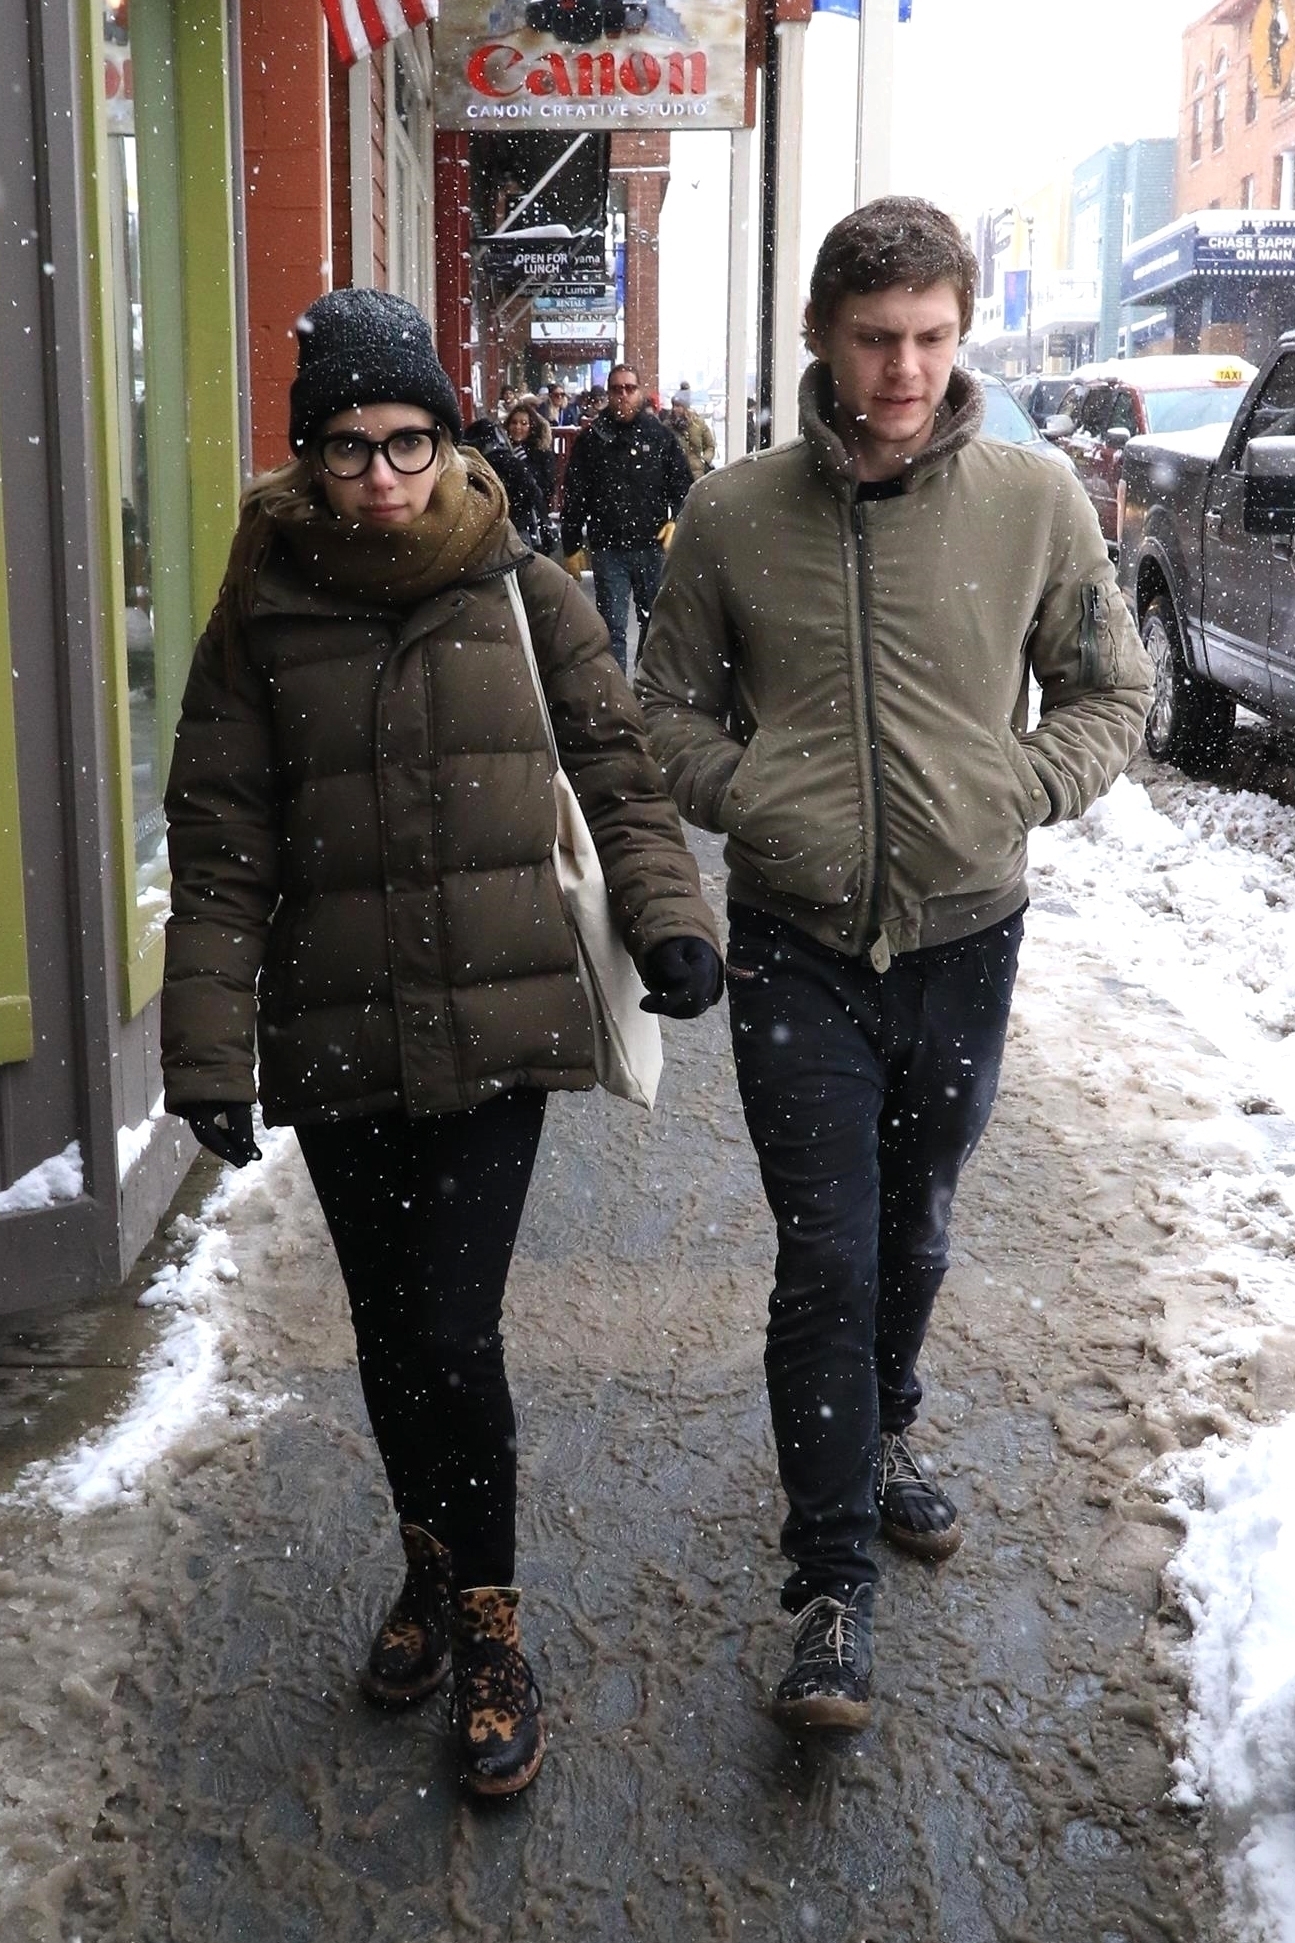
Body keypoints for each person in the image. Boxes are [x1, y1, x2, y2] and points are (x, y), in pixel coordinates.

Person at [160, 288, 723, 1797]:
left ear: (449, 438)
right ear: (308, 454)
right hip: (339, 1027)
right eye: (346, 446)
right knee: (388, 1332)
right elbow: (220, 835)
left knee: (454, 1331)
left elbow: (616, 770)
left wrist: (669, 917)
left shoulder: (521, 589)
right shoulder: (261, 606)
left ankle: (488, 1619)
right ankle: (425, 1562)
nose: (381, 476)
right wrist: (206, 1045)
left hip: (493, 1021)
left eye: (407, 440)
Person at [635, 198, 1152, 1732]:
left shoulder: (1029, 500)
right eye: (874, 339)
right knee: (828, 1253)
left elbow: (1108, 690)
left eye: (930, 337)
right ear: (819, 336)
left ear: (958, 332)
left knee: (914, 1225)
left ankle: (885, 1423)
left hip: (963, 936)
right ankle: (830, 1584)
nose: (904, 369)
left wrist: (1015, 788)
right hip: (792, 944)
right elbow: (660, 711)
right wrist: (756, 796)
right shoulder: (731, 514)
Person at [559, 361, 693, 675]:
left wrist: (677, 519)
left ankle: (648, 687)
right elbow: (575, 494)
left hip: (651, 544)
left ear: (640, 392)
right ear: (609, 393)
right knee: (611, 629)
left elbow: (682, 484)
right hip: (609, 547)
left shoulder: (658, 436)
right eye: (617, 389)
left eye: (629, 388)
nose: (623, 395)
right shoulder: (592, 439)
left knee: (654, 626)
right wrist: (571, 543)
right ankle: (617, 692)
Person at [460, 414, 548, 552]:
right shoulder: (510, 462)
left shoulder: (467, 466)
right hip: (516, 530)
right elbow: (534, 492)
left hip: (480, 533)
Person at [505, 399, 558, 546]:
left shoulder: (541, 452)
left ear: (531, 426)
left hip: (533, 519)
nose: (518, 427)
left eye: (524, 423)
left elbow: (547, 486)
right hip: (507, 517)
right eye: (514, 423)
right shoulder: (502, 452)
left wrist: (524, 466)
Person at [666, 390, 716, 482]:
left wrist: (704, 461)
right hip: (675, 473)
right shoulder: (668, 425)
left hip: (697, 473)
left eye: (678, 406)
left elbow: (710, 446)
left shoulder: (698, 424)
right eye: (673, 406)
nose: (674, 409)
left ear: (685, 407)